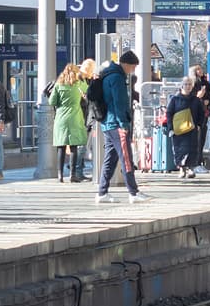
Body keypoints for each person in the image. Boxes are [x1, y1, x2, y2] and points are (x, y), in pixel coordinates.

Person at [93, 49, 146, 202]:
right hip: (117, 123)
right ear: (126, 64)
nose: (133, 70)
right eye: (133, 67)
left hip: (108, 124)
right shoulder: (117, 78)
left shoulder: (108, 75)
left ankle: (102, 192)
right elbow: (119, 103)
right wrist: (124, 124)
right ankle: (133, 192)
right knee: (126, 158)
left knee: (111, 158)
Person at [50, 63, 89, 183]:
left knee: (61, 147)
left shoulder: (58, 85)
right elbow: (88, 91)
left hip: (61, 118)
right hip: (75, 117)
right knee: (73, 146)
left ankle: (60, 175)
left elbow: (52, 101)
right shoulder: (79, 84)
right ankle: (73, 174)